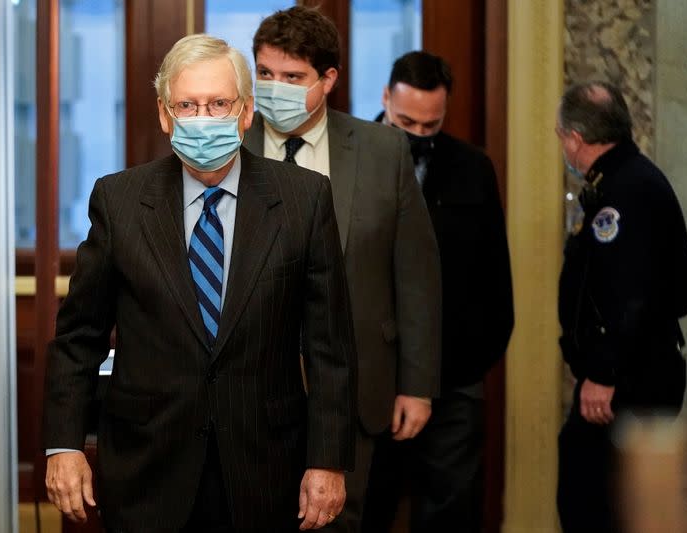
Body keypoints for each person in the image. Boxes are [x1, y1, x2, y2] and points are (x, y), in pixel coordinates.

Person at [42, 34, 358, 533]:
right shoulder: (120, 201)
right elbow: (78, 336)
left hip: (267, 467)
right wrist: (64, 445)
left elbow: (330, 347)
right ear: (166, 116)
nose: (203, 118)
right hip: (148, 467)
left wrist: (329, 460)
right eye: (187, 105)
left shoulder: (304, 200)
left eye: (219, 104)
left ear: (246, 112)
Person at [243, 7, 442, 532]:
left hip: (355, 383)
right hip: (248, 388)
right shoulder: (229, 144)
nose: (275, 88)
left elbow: (416, 275)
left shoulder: (383, 150)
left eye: (293, 78)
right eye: (264, 73)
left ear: (328, 79)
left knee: (338, 520)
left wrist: (417, 384)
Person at [361, 51, 514, 533]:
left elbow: (495, 276)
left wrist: (475, 360)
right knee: (365, 508)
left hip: (455, 377)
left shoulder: (472, 168)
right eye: (407, 121)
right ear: (386, 98)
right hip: (370, 378)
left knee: (451, 510)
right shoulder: (350, 158)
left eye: (431, 124)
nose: (418, 135)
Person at [555, 81, 687, 532]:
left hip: (627, 382)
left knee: (597, 505)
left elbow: (632, 294)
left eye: (559, 136)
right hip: (630, 375)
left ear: (575, 138)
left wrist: (603, 372)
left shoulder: (626, 192)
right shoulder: (625, 180)